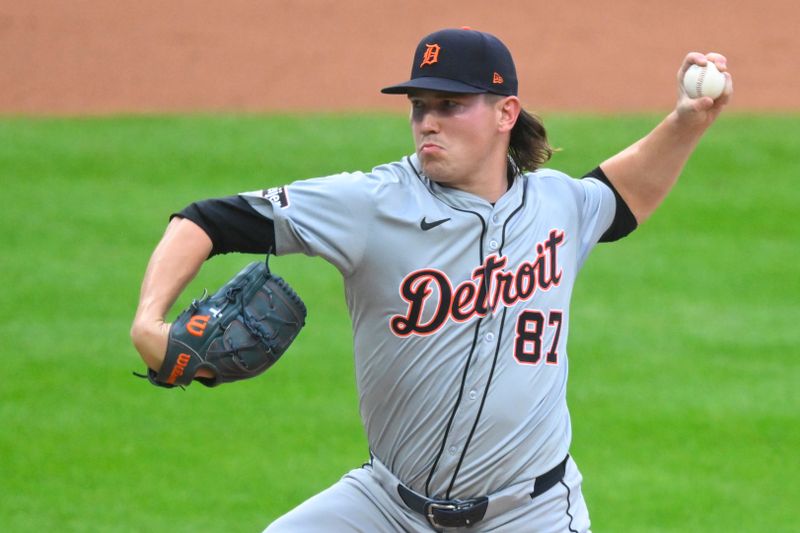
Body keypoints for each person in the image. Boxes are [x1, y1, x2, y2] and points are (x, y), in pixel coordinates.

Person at [131, 27, 732, 532]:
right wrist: (149, 319)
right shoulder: (371, 204)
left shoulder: (558, 205)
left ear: (506, 113)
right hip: (387, 507)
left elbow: (625, 193)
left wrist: (688, 119)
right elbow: (205, 220)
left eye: (450, 105)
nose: (428, 123)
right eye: (420, 106)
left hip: (532, 513)